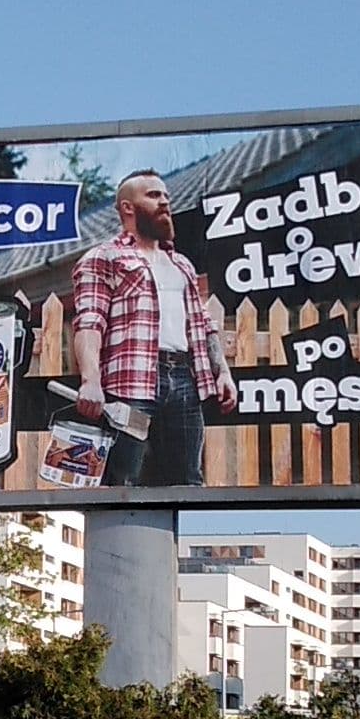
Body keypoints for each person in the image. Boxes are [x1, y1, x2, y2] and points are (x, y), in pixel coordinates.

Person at [69, 170, 238, 487]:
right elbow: (90, 321)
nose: (164, 202)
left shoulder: (181, 264)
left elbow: (202, 323)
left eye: (166, 196)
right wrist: (91, 380)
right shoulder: (104, 257)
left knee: (187, 481)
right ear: (127, 207)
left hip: (185, 381)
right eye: (153, 195)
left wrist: (223, 372)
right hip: (129, 383)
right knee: (122, 480)